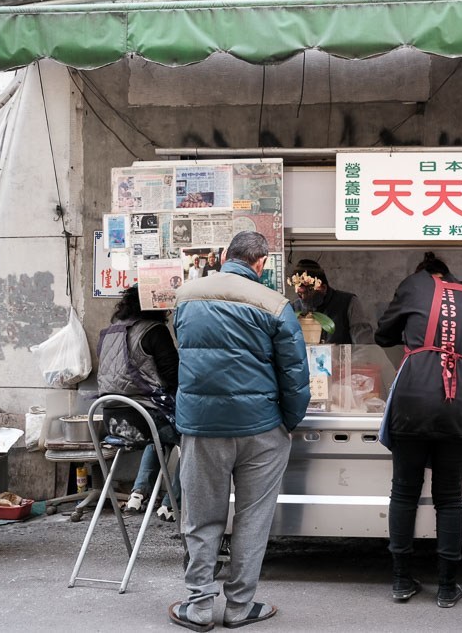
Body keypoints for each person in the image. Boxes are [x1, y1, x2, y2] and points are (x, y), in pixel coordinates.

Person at [168, 231, 310, 632]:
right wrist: (288, 422)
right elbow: (295, 375)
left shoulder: (186, 297)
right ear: (260, 263)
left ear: (224, 256)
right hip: (261, 429)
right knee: (252, 518)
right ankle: (239, 606)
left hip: (201, 427)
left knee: (200, 517)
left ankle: (197, 606)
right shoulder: (275, 304)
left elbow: (186, 351)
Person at [375, 252, 462, 608]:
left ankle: (402, 581)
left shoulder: (412, 285)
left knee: (404, 492)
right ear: (448, 274)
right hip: (458, 402)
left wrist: (412, 353)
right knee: (449, 496)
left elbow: (381, 334)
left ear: (423, 272)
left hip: (413, 398)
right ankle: (448, 588)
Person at [96, 285, 181, 522]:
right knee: (195, 436)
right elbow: (174, 376)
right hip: (144, 417)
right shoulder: (154, 330)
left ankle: (138, 494)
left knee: (160, 435)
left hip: (113, 419)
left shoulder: (108, 333)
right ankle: (172, 503)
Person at [289, 259, 374, 344]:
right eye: (300, 294)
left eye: (308, 292)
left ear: (323, 288)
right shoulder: (294, 309)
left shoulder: (348, 303)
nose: (303, 298)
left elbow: (364, 344)